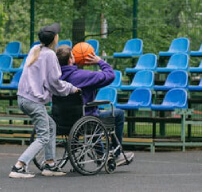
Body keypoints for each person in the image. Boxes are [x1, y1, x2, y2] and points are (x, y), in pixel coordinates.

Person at [9, 23, 79, 179]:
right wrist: (71, 88)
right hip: (33, 100)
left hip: (23, 98)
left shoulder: (35, 50)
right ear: (55, 38)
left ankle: (50, 164)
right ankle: (19, 166)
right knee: (43, 136)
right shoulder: (49, 55)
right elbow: (54, 82)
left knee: (51, 126)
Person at [56, 44, 134, 166]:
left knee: (92, 117)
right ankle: (116, 153)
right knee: (117, 114)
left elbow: (69, 70)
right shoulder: (83, 76)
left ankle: (100, 154)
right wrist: (99, 61)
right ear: (71, 60)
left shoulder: (55, 77)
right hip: (85, 119)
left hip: (62, 119)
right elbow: (110, 75)